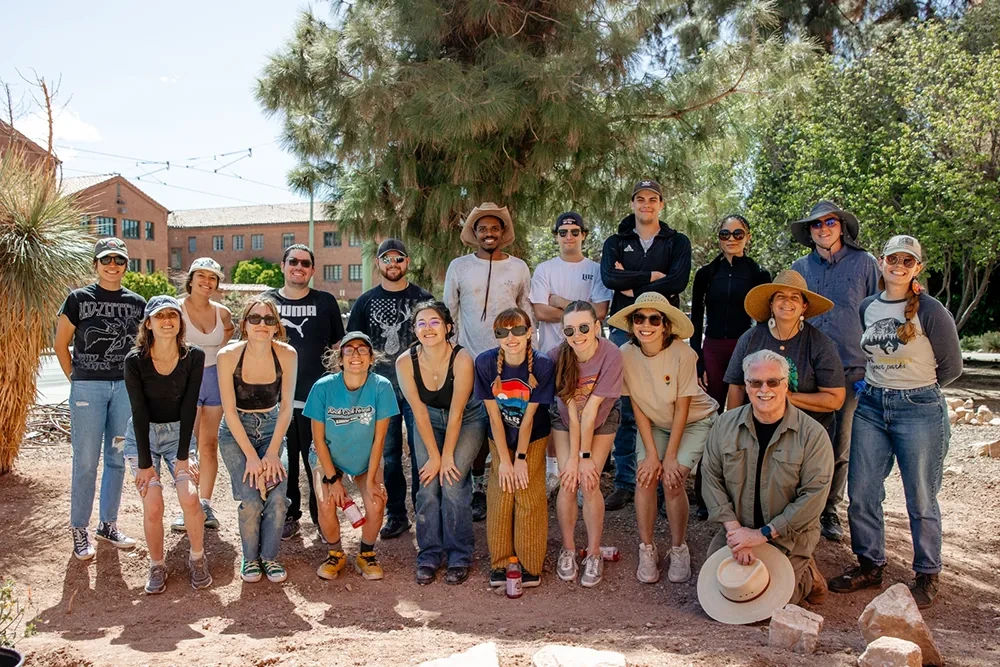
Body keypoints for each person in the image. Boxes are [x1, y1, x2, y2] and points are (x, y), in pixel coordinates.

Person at [829, 235, 962, 609]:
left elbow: (951, 367)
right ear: (882, 261)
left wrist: (912, 387)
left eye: (908, 261)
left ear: (917, 268)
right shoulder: (868, 306)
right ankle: (870, 565)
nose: (899, 266)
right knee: (863, 491)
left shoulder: (931, 311)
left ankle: (927, 573)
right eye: (893, 259)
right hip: (871, 405)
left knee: (920, 495)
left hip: (918, 407)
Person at [701, 349, 833, 607]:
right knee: (727, 592)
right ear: (746, 385)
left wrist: (761, 535)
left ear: (785, 385)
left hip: (787, 535)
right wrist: (736, 532)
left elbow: (814, 497)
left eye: (773, 382)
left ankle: (807, 574)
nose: (764, 389)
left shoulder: (812, 435)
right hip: (738, 530)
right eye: (755, 382)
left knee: (771, 605)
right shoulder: (724, 425)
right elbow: (710, 478)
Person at [608, 293, 718, 584]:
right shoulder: (625, 355)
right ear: (631, 324)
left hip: (693, 421)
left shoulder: (683, 354)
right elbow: (638, 406)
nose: (646, 325)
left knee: (672, 480)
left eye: (654, 319)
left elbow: (682, 408)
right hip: (655, 422)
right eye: (639, 318)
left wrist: (669, 457)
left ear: (666, 326)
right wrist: (652, 456)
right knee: (645, 476)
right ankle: (647, 549)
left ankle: (678, 547)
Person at [790, 201, 880, 541]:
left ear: (841, 226)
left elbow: (880, 314)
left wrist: (875, 366)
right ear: (809, 231)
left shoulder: (865, 264)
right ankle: (800, 509)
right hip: (806, 369)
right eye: (815, 224)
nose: (823, 228)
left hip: (852, 369)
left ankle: (829, 510)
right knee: (803, 442)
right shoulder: (800, 268)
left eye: (830, 221)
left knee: (839, 445)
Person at [600, 179, 692, 512]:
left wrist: (632, 280)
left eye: (653, 199)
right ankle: (627, 480)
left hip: (665, 330)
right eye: (640, 199)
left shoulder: (677, 241)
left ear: (661, 204)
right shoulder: (616, 241)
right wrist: (653, 277)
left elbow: (679, 281)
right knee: (627, 406)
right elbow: (610, 278)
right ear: (633, 204)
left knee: (668, 404)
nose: (647, 205)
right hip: (625, 330)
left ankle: (668, 479)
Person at [55, 238, 146, 560]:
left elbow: (143, 347)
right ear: (95, 264)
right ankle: (79, 528)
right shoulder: (78, 299)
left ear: (125, 265)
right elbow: (61, 344)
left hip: (124, 390)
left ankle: (108, 524)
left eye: (119, 260)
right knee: (85, 462)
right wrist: (77, 380)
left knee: (117, 457)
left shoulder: (137, 303)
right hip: (88, 390)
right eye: (106, 260)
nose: (112, 265)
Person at [444, 203, 533, 522]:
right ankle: (480, 488)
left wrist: (528, 351)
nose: (489, 233)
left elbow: (526, 308)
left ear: (503, 232)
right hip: (469, 358)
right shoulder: (459, 266)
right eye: (482, 228)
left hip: (510, 357)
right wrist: (452, 354)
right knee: (478, 423)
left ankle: (511, 483)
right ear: (475, 233)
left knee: (512, 422)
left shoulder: (519, 267)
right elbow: (448, 311)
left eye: (495, 228)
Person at [123, 296, 211, 594]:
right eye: (159, 316)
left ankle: (197, 558)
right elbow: (138, 411)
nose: (167, 321)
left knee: (189, 497)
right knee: (153, 503)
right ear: (148, 324)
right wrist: (146, 466)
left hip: (179, 435)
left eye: (172, 315)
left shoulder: (193, 357)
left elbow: (190, 407)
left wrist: (184, 457)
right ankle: (157, 564)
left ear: (180, 322)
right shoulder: (134, 361)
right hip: (142, 437)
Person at [348, 239, 433, 541]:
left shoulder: (424, 298)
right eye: (387, 259)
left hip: (418, 389)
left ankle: (425, 514)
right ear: (378, 263)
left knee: (422, 453)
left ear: (407, 262)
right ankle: (397, 515)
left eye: (399, 259)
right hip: (381, 390)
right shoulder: (366, 302)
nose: (393, 264)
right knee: (390, 455)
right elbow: (354, 346)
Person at [398, 302, 488, 585]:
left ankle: (459, 554)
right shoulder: (405, 361)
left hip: (468, 418)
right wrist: (434, 457)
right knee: (427, 483)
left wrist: (446, 456)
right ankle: (429, 554)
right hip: (428, 419)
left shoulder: (462, 359)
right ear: (414, 329)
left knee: (452, 479)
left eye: (434, 322)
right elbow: (418, 412)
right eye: (421, 323)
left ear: (448, 327)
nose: (428, 328)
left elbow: (458, 412)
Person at [690, 214, 770, 520]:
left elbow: (763, 322)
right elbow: (696, 319)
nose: (732, 239)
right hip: (712, 349)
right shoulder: (706, 274)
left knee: (743, 421)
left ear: (748, 237)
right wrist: (697, 359)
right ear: (718, 237)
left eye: (738, 234)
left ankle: (742, 494)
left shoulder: (759, 274)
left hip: (746, 348)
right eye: (725, 234)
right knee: (711, 421)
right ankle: (703, 495)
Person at [265, 244, 345, 541]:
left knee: (319, 461)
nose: (299, 267)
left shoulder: (325, 302)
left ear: (312, 270)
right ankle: (288, 514)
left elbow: (338, 347)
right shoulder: (266, 303)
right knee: (285, 463)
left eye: (305, 263)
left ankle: (321, 517)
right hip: (276, 400)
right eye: (293, 261)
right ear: (283, 266)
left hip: (317, 399)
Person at [305, 332, 399, 582]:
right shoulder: (323, 387)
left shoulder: (381, 386)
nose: (356, 354)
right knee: (326, 502)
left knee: (377, 501)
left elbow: (380, 439)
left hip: (366, 457)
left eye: (362, 350)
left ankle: (366, 555)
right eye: (349, 350)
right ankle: (335, 552)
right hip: (328, 456)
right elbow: (318, 439)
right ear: (340, 359)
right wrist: (333, 479)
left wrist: (371, 481)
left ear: (371, 359)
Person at [473, 308, 556, 589]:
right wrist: (504, 461)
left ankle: (530, 564)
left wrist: (519, 458)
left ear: (529, 332)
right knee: (500, 494)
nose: (511, 338)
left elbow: (530, 418)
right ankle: (500, 563)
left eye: (518, 330)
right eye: (502, 332)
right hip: (499, 438)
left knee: (527, 493)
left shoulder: (542, 365)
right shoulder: (485, 364)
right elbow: (494, 417)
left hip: (532, 438)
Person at [529, 212, 612, 493]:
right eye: (563, 232)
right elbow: (540, 310)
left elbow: (600, 312)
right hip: (552, 353)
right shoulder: (544, 269)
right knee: (557, 412)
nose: (569, 237)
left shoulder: (597, 269)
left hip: (590, 357)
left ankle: (583, 469)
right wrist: (581, 312)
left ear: (584, 235)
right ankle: (556, 471)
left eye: (575, 231)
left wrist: (561, 302)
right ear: (555, 236)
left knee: (588, 411)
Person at [217, 297, 298, 583]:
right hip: (236, 431)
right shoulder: (228, 356)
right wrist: (252, 456)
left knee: (277, 498)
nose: (262, 324)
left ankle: (269, 557)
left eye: (268, 319)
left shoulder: (287, 354)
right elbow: (228, 410)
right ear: (244, 325)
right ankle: (250, 559)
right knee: (251, 499)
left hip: (273, 429)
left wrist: (273, 451)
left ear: (276, 326)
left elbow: (287, 406)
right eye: (255, 319)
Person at [551, 301, 623, 588]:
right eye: (570, 329)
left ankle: (593, 552)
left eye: (584, 327)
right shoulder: (556, 356)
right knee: (568, 480)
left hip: (601, 421)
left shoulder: (611, 354)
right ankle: (568, 549)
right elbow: (569, 410)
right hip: (566, 422)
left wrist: (585, 456)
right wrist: (572, 460)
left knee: (590, 481)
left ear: (596, 327)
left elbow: (592, 409)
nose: (577, 335)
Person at [723, 270, 846, 438]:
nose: (787, 301)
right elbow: (736, 386)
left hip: (807, 431)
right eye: (780, 296)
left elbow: (835, 399)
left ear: (804, 306)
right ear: (771, 303)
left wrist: (786, 396)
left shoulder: (821, 344)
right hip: (756, 428)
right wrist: (733, 429)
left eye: (795, 297)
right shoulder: (750, 338)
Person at [172, 257, 235, 533]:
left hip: (215, 381)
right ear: (191, 278)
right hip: (185, 381)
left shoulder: (222, 313)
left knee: (209, 445)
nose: (207, 282)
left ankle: (205, 504)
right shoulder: (175, 308)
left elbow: (230, 334)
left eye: (213, 278)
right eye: (202, 276)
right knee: (185, 446)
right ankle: (186, 507)